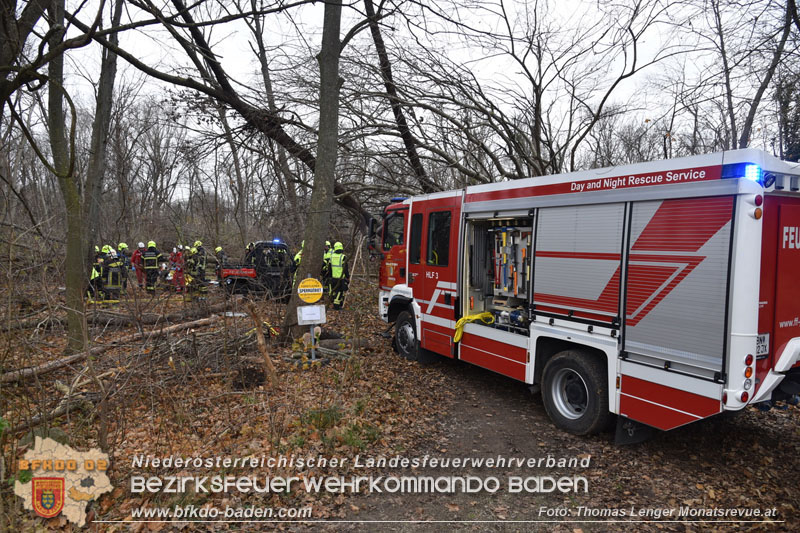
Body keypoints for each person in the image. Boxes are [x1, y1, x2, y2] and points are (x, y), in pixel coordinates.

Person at [329, 241, 349, 310]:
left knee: (336, 291)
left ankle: (339, 303)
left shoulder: (331, 257)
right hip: (341, 278)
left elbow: (329, 268)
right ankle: (336, 306)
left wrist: (330, 276)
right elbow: (345, 269)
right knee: (339, 292)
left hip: (334, 277)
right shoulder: (343, 257)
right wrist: (347, 276)